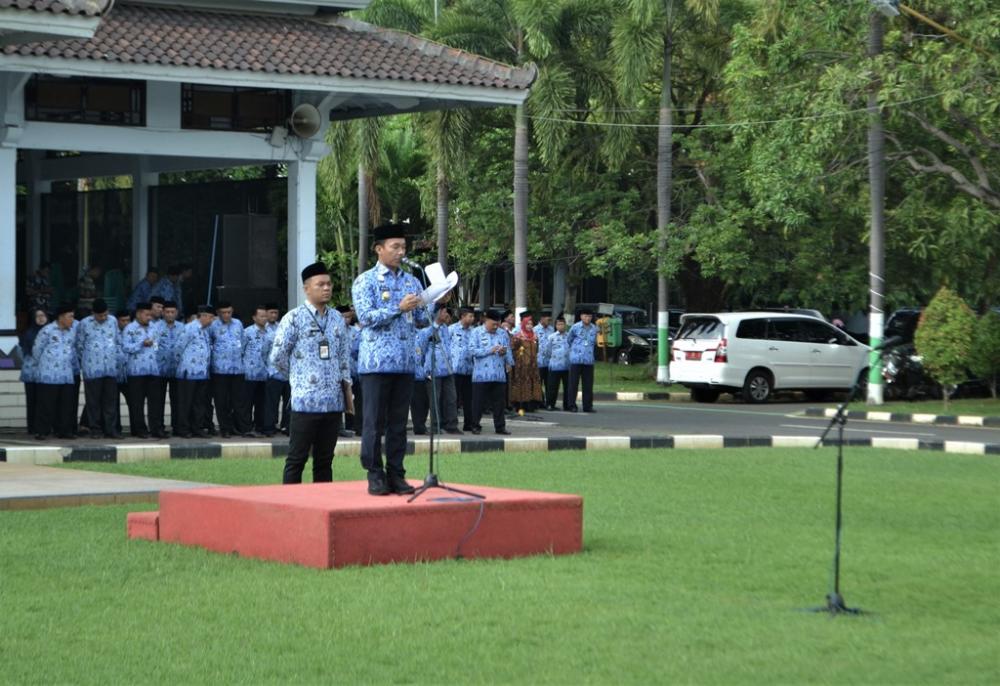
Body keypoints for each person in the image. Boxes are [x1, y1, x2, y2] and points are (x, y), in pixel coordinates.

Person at [351, 222, 429, 496]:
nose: (400, 252)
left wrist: (433, 300)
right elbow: (366, 318)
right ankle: (375, 473)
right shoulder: (366, 281)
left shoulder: (412, 280)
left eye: (403, 247)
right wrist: (398, 307)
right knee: (373, 422)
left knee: (398, 423)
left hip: (405, 363)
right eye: (395, 247)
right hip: (376, 364)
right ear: (379, 249)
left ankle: (397, 473)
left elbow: (420, 320)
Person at [268, 262, 353, 484]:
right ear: (307, 288)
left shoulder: (337, 319)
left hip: (333, 403)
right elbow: (277, 357)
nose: (327, 288)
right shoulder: (293, 318)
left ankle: (322, 507)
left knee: (325, 461)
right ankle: (290, 508)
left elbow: (344, 358)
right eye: (320, 284)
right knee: (296, 459)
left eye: (329, 284)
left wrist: (346, 391)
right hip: (305, 402)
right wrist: (298, 377)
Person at [75, 299, 120, 438]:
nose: (103, 318)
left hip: (110, 368)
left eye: (105, 314)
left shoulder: (113, 321)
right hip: (92, 369)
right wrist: (88, 361)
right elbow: (79, 346)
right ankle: (95, 429)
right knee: (93, 402)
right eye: (100, 315)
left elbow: (117, 340)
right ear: (93, 313)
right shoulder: (84, 324)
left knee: (110, 401)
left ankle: (110, 429)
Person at [32, 304, 77, 440]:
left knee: (66, 405)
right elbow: (37, 350)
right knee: (46, 404)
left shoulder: (72, 331)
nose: (72, 320)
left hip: (66, 374)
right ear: (61, 317)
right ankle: (42, 431)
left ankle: (64, 431)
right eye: (70, 317)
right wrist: (43, 365)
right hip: (48, 374)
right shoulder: (47, 330)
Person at [121, 302, 165, 438]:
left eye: (150, 315)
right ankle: (140, 430)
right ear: (139, 314)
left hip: (153, 370)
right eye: (146, 315)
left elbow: (157, 346)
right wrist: (141, 344)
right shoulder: (129, 328)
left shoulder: (154, 327)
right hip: (136, 371)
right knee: (137, 403)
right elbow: (126, 347)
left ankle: (156, 429)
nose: (149, 318)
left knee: (155, 402)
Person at [470, 310, 513, 435]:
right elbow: (472, 351)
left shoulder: (503, 333)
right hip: (481, 375)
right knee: (478, 402)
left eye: (497, 324)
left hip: (499, 374)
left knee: (499, 403)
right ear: (485, 321)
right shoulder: (476, 332)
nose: (495, 327)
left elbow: (508, 349)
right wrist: (490, 350)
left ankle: (500, 427)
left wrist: (508, 360)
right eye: (493, 324)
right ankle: (475, 425)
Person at [174, 305, 215, 438]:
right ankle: (183, 429)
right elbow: (178, 348)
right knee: (186, 402)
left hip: (202, 373)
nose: (212, 320)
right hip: (188, 372)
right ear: (203, 316)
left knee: (199, 403)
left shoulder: (205, 330)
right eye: (211, 317)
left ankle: (197, 428)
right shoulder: (190, 328)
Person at [209, 301, 249, 438]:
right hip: (220, 370)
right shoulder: (212, 325)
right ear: (218, 313)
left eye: (229, 312)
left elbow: (243, 342)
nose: (227, 315)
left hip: (237, 368)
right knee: (221, 400)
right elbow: (208, 343)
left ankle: (240, 427)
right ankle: (225, 428)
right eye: (224, 313)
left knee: (238, 400)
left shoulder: (238, 323)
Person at [419, 305, 460, 434]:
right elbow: (420, 351)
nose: (447, 314)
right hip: (433, 369)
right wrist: (425, 370)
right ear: (437, 314)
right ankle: (436, 426)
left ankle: (451, 425)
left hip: (447, 369)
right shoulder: (426, 331)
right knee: (435, 400)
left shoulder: (445, 328)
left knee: (451, 398)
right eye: (444, 311)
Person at [19, 308, 48, 436]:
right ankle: (32, 427)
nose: (41, 318)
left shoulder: (51, 331)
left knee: (43, 401)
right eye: (37, 316)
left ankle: (42, 427)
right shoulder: (29, 333)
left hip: (46, 372)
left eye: (43, 315)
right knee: (32, 400)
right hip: (31, 372)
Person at [242, 305, 271, 434]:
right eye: (261, 316)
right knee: (247, 402)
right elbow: (241, 351)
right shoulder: (247, 332)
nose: (264, 318)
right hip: (248, 373)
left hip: (263, 374)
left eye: (266, 316)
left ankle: (260, 427)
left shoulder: (270, 334)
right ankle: (246, 427)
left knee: (261, 403)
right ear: (254, 317)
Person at [448, 306, 476, 431]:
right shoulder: (452, 329)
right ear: (462, 316)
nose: (472, 318)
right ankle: (452, 424)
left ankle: (468, 424)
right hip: (455, 369)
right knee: (453, 398)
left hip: (469, 370)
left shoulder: (474, 331)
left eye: (473, 316)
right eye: (470, 316)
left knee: (469, 399)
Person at [510, 312, 543, 412]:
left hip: (532, 365)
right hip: (522, 365)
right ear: (523, 324)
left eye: (531, 324)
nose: (529, 326)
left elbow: (536, 350)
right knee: (522, 383)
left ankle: (531, 403)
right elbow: (513, 349)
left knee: (532, 382)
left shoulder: (534, 336)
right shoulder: (518, 336)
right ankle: (520, 404)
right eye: (527, 324)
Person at [566, 308, 598, 412]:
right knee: (573, 384)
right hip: (576, 359)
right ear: (581, 317)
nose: (587, 318)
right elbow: (569, 340)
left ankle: (587, 406)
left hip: (588, 360)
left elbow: (595, 343)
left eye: (589, 316)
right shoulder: (575, 327)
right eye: (585, 316)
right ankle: (571, 405)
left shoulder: (594, 328)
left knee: (588, 384)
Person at [542, 315, 570, 410]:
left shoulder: (569, 336)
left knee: (568, 387)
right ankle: (550, 404)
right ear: (556, 326)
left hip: (567, 366)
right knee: (552, 387)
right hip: (554, 366)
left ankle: (567, 405)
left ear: (565, 325)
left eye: (562, 324)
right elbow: (547, 351)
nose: (561, 326)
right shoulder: (552, 337)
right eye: (558, 324)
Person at [535, 311, 554, 406]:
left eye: (550, 320)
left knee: (549, 384)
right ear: (542, 319)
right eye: (547, 319)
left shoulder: (552, 330)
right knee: (538, 383)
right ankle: (540, 401)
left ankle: (549, 402)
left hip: (549, 361)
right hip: (538, 361)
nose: (549, 321)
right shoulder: (535, 330)